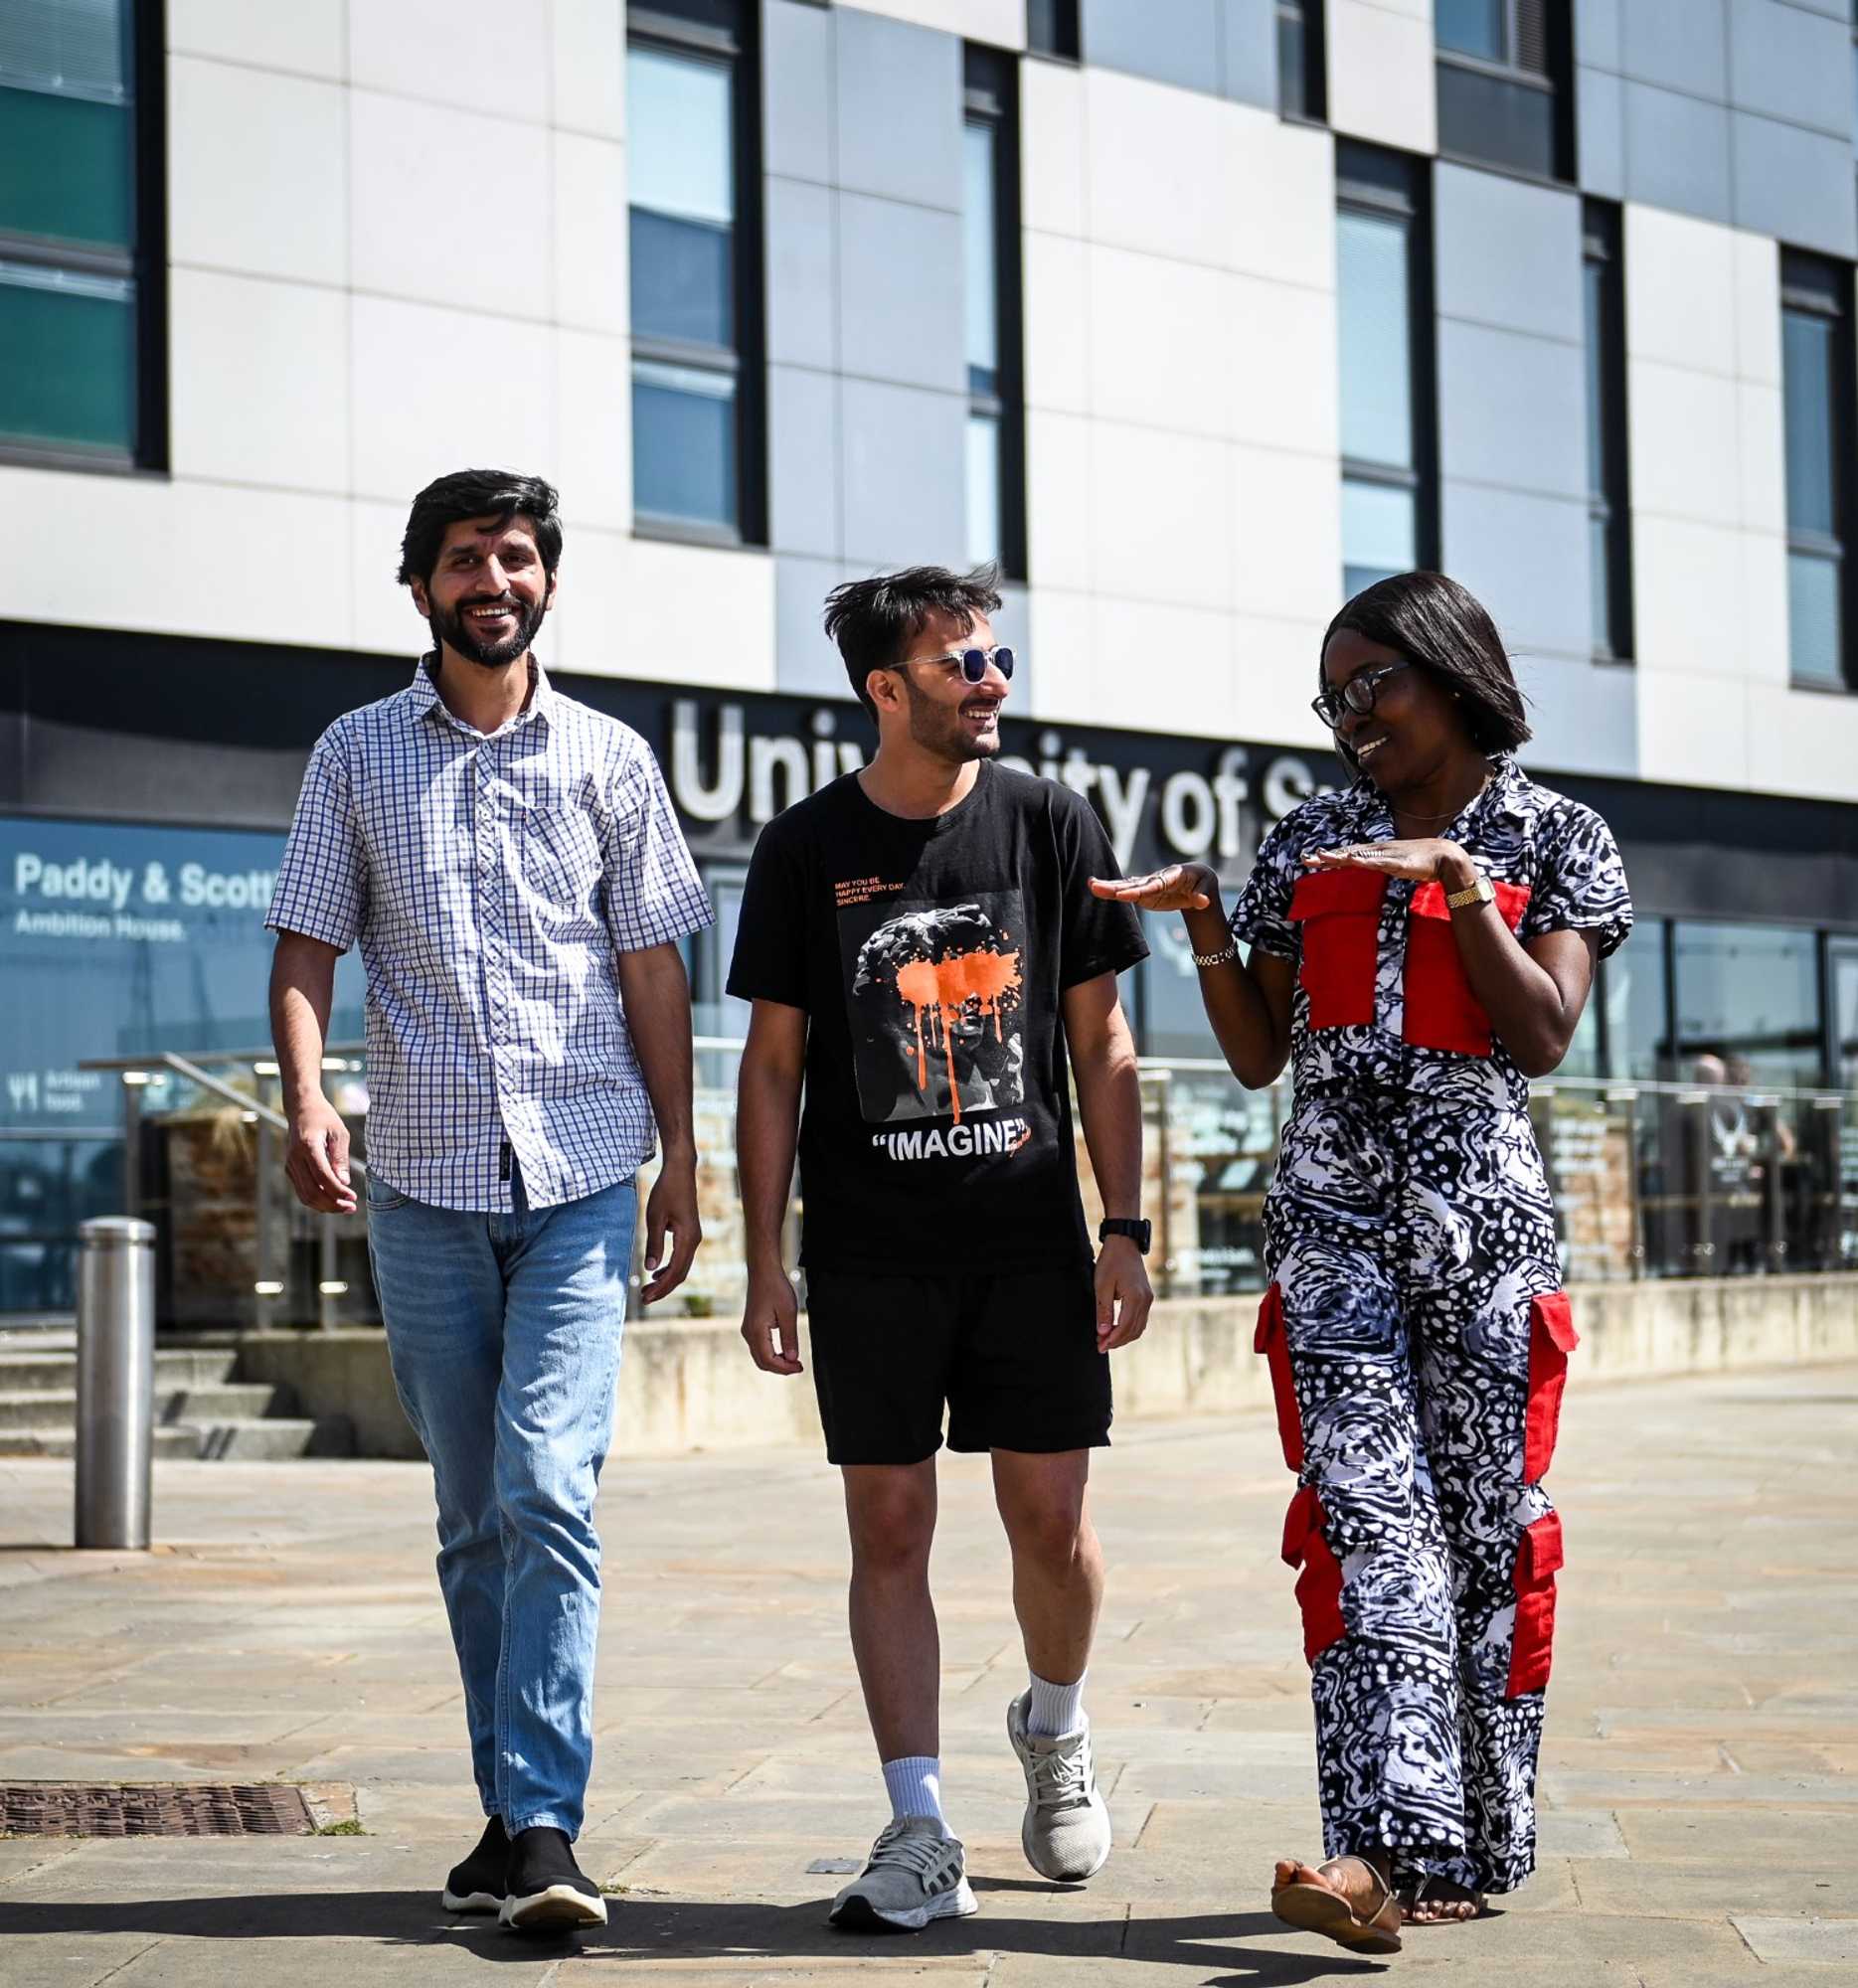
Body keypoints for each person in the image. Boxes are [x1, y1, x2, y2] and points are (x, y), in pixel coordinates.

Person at [1092, 571, 1630, 1953]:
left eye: (1369, 687)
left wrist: (1464, 896)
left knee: (1484, 1538)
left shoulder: (1556, 834)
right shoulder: (1312, 835)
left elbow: (1545, 1032)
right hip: (1331, 1233)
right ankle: (1376, 1850)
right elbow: (1262, 1052)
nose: (1347, 720)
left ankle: (1471, 1836)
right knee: (1361, 1522)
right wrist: (1210, 922)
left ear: (1448, 675)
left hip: (1485, 1237)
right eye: (1329, 699)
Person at [265, 469, 711, 1933]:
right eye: (466, 558)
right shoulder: (353, 754)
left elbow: (654, 967)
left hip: (582, 1173)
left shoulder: (608, 759)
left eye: (515, 555)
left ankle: (543, 1824)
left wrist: (681, 1160)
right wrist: (309, 1093)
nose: (493, 578)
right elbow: (307, 942)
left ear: (546, 581)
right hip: (424, 1183)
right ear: (422, 588)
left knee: (545, 1488)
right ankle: (502, 1812)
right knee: (470, 1518)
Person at [729, 565, 1154, 1931]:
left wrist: (1124, 1230)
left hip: (1030, 1243)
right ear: (885, 690)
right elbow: (773, 1067)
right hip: (868, 1255)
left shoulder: (1047, 821)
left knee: (1052, 1525)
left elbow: (1098, 1042)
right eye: (962, 663)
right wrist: (762, 1259)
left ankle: (1054, 1723)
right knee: (890, 1526)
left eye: (997, 658)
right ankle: (918, 1826)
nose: (991, 683)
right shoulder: (804, 850)